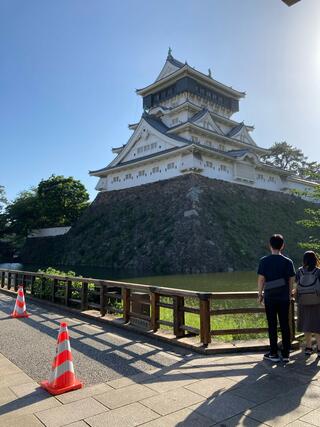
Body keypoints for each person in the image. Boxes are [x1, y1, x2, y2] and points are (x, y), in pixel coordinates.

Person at [257, 234, 296, 362]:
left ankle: (273, 353)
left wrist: (260, 294)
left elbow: (261, 279)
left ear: (270, 246)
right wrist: (289, 294)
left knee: (272, 325)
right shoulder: (288, 262)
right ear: (282, 246)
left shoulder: (264, 261)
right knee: (285, 324)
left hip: (270, 297)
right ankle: (286, 354)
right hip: (284, 298)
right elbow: (291, 281)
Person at [295, 251, 320, 357]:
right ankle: (319, 348)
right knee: (318, 325)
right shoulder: (318, 271)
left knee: (306, 324)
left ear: (304, 260)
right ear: (315, 260)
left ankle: (308, 347)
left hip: (303, 301)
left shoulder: (299, 271)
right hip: (317, 301)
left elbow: (296, 287)